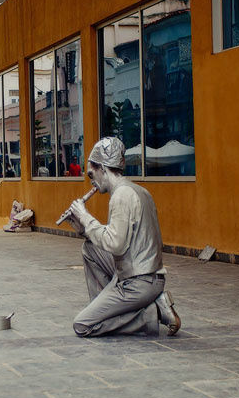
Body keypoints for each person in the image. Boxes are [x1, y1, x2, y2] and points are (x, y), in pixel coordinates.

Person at [64, 137, 181, 338]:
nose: (91, 180)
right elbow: (123, 240)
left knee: (82, 325)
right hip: (147, 275)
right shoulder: (139, 190)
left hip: (139, 282)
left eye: (92, 173)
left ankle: (150, 314)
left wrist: (85, 216)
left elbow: (115, 244)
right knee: (90, 247)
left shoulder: (121, 196)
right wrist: (83, 229)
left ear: (102, 168)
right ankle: (107, 309)